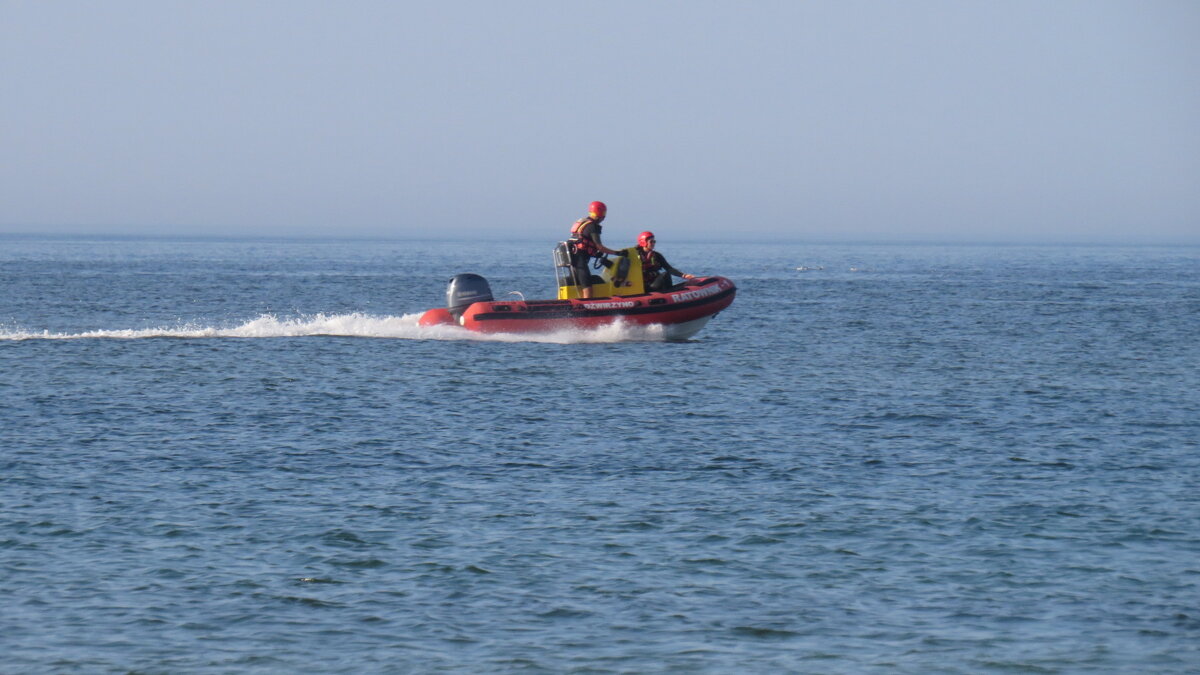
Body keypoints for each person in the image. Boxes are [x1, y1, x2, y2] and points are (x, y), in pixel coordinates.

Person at [567, 201, 623, 298]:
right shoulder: (592, 227)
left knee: (583, 282)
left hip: (572, 260)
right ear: (600, 213)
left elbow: (584, 245)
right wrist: (617, 253)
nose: (604, 217)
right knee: (587, 287)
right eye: (604, 213)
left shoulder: (583, 223)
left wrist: (596, 254)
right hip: (579, 261)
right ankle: (587, 310)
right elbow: (599, 246)